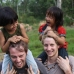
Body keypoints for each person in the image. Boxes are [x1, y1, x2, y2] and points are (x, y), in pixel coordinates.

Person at [0, 7, 38, 74]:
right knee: (5, 70)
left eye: (16, 21)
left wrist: (21, 38)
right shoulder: (2, 32)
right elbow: (3, 49)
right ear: (4, 25)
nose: (15, 25)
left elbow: (27, 40)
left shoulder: (20, 27)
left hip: (23, 51)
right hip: (9, 54)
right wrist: (9, 41)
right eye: (11, 24)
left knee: (34, 67)